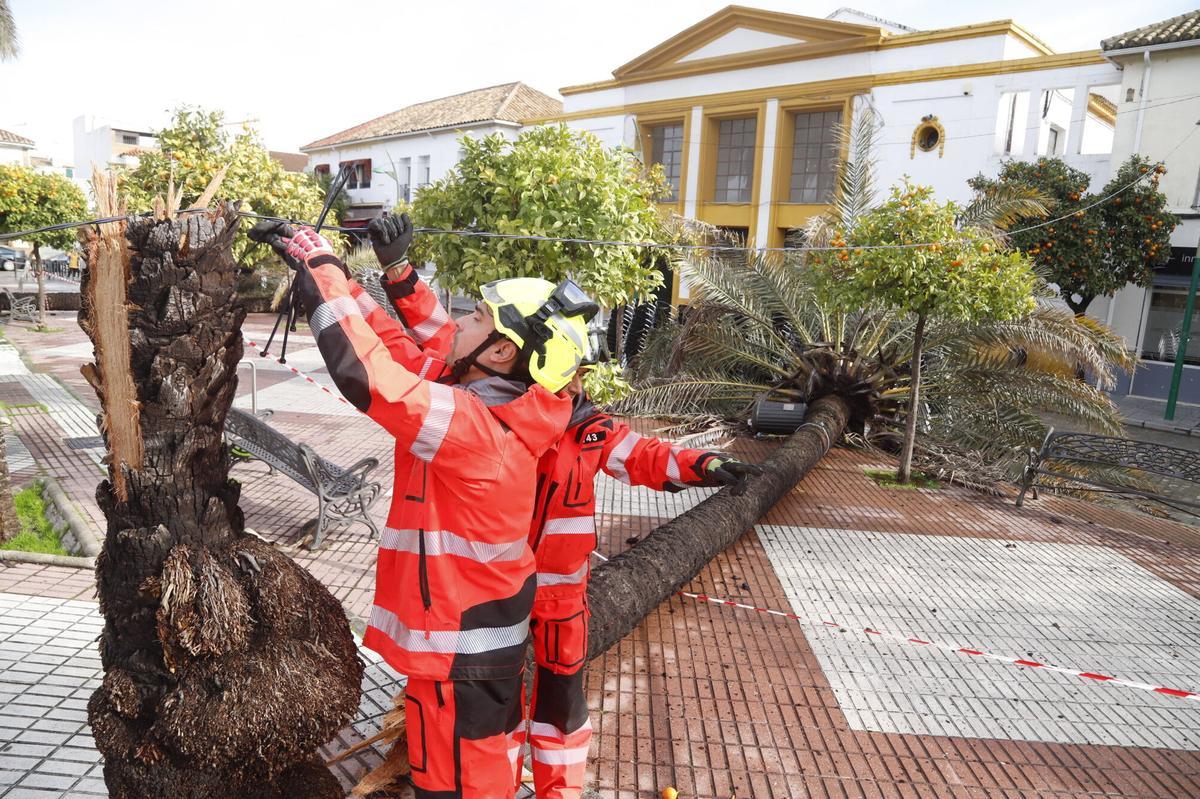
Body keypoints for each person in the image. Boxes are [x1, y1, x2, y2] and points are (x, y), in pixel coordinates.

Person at [364, 213, 763, 799]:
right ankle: (480, 777)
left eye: (579, 375)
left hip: (558, 598)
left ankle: (557, 790)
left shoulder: (583, 428)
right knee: (488, 710)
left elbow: (642, 455)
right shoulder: (499, 415)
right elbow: (448, 336)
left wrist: (701, 465)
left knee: (560, 704)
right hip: (492, 598)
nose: (575, 384)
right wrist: (399, 273)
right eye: (569, 373)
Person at [248, 219, 597, 799]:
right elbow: (391, 344)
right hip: (462, 653)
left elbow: (369, 376)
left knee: (464, 788)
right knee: (462, 779)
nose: (459, 321)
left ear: (503, 351)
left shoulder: (478, 428)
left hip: (462, 657)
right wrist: (325, 268)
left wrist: (322, 274)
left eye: (478, 317)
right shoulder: (490, 401)